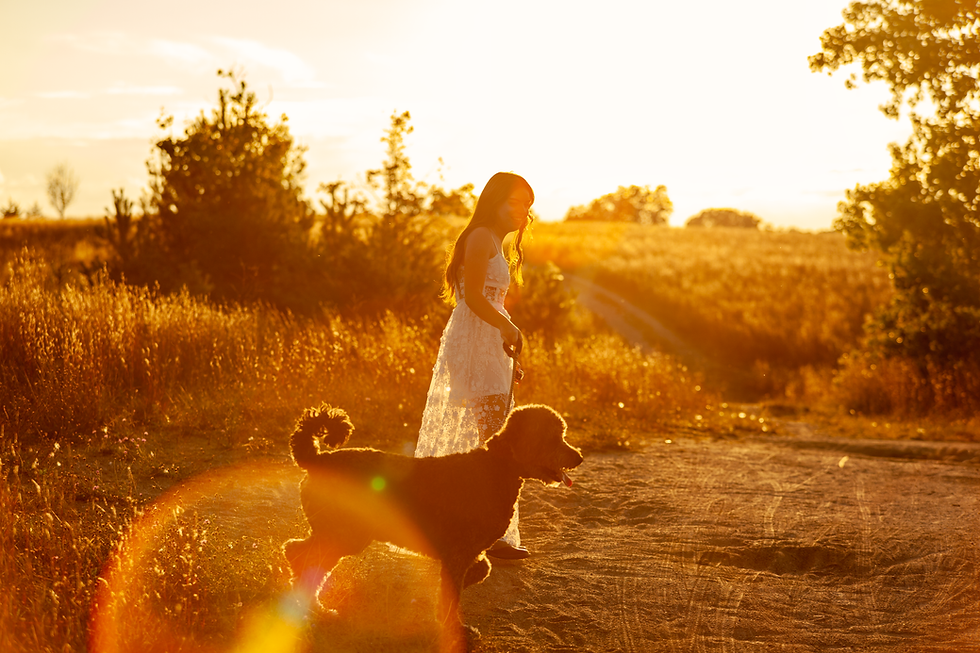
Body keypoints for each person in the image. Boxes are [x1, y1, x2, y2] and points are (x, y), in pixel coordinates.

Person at [415, 171, 534, 560]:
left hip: (489, 340)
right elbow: (473, 302)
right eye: (515, 202)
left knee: (492, 432)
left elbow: (493, 304)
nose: (522, 212)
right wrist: (509, 327)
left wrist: (507, 345)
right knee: (495, 438)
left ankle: (484, 530)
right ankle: (490, 534)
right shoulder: (481, 236)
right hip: (473, 340)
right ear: (494, 200)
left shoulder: (499, 244)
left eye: (527, 206)